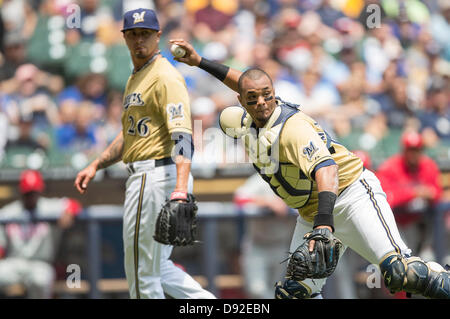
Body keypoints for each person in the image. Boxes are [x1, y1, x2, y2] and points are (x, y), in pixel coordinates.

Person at [170, 39, 450, 299]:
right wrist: (200, 61)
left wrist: (324, 225)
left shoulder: (292, 128)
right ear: (242, 101)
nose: (262, 102)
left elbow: (327, 170)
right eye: (252, 98)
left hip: (350, 195)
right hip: (314, 210)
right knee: (294, 293)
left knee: (400, 273)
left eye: (267, 95)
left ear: (274, 94)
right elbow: (245, 82)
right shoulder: (240, 120)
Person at [74, 8, 215, 299]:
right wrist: (96, 164)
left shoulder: (164, 76)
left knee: (141, 272)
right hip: (152, 175)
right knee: (156, 267)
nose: (140, 40)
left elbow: (183, 134)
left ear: (158, 36)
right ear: (124, 37)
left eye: (146, 34)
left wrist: (180, 188)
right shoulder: (136, 77)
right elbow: (130, 136)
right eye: (134, 34)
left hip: (156, 177)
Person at [0, 170, 80, 298]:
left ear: (40, 191)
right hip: (14, 263)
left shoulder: (48, 206)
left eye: (34, 193)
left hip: (40, 264)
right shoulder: (9, 212)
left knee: (40, 281)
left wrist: (69, 213)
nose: (31, 196)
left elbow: (73, 204)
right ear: (22, 192)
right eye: (28, 193)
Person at [376, 131, 443, 257]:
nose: (413, 154)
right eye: (410, 150)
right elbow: (387, 198)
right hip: (396, 221)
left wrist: (429, 194)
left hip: (420, 220)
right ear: (404, 150)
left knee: (438, 210)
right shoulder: (390, 166)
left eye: (417, 150)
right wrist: (414, 193)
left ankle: (438, 257)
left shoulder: (428, 165)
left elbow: (437, 193)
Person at [234, 173, 295, 299]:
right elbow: (239, 199)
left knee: (278, 291)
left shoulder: (295, 178)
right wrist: (267, 201)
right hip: (257, 246)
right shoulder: (261, 178)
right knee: (256, 290)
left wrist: (286, 204)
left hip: (282, 246)